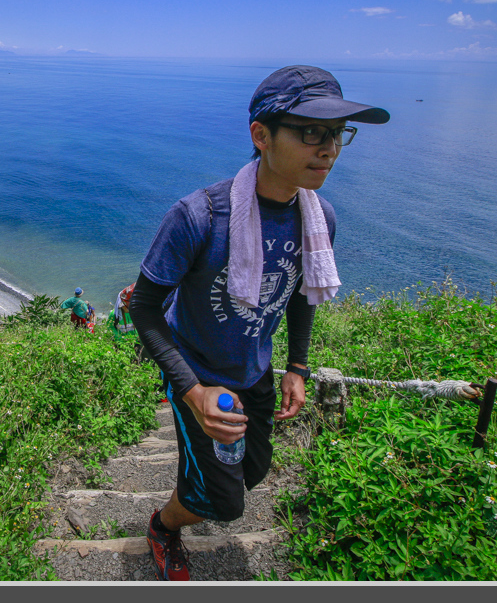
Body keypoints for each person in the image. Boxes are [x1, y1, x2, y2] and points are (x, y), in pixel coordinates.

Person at [130, 65, 389, 580]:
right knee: (223, 502)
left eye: (337, 134)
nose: (329, 148)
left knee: (254, 472)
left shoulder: (319, 218)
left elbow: (302, 289)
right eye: (312, 132)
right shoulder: (200, 216)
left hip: (258, 372)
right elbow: (144, 306)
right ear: (261, 135)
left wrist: (298, 365)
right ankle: (162, 526)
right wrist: (191, 392)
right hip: (203, 374)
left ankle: (198, 480)